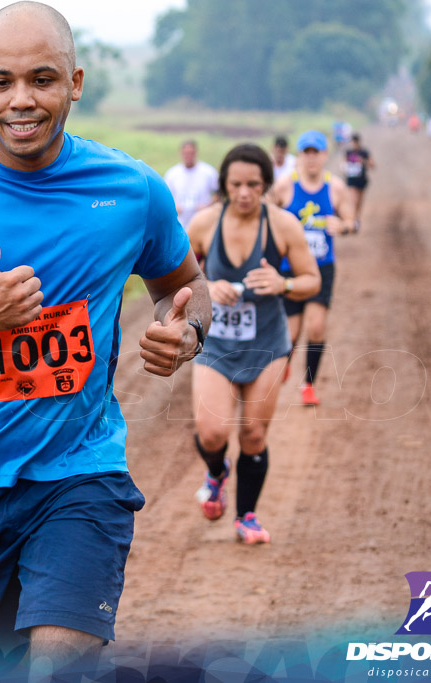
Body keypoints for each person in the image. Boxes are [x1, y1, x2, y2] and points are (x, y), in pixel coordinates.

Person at [0, 2, 212, 678]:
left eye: (42, 79)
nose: (21, 100)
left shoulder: (129, 189)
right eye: (1, 82)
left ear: (76, 83)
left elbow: (186, 287)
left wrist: (187, 332)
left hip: (82, 478)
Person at [187, 144, 320, 545]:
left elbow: (311, 279)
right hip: (216, 345)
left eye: (253, 185)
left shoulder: (282, 226)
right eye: (236, 185)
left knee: (254, 435)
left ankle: (247, 516)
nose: (245, 193)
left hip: (267, 343)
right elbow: (177, 279)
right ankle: (216, 471)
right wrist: (208, 286)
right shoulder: (204, 224)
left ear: (265, 185)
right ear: (224, 185)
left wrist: (284, 284)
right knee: (211, 434)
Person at [271, 130, 353, 406]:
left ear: (325, 155)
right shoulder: (284, 186)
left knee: (316, 327)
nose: (311, 158)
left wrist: (343, 226)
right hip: (289, 268)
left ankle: (308, 385)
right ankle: (286, 361)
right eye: (306, 152)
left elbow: (352, 221)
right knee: (291, 332)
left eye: (316, 152)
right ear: (300, 156)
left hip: (322, 268)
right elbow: (265, 216)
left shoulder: (336, 188)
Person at [164, 139, 220, 229]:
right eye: (186, 153)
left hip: (203, 223)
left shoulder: (209, 172)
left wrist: (208, 207)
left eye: (191, 153)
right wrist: (173, 208)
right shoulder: (172, 174)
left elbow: (219, 194)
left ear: (196, 153)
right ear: (181, 153)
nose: (188, 156)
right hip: (180, 224)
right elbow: (165, 197)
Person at [343, 133, 374, 233]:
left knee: (359, 202)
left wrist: (363, 161)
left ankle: (356, 219)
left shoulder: (364, 152)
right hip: (352, 180)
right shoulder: (348, 152)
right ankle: (353, 221)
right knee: (354, 200)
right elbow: (343, 165)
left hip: (361, 180)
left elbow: (372, 165)